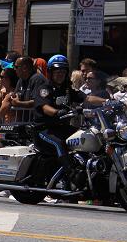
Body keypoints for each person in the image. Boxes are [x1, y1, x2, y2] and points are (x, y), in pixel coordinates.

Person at [32, 54, 105, 189]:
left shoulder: (66, 89)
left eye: (63, 71)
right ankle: (71, 173)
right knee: (59, 143)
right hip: (44, 129)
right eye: (57, 71)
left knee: (86, 137)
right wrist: (56, 112)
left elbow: (87, 98)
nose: (60, 74)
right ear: (50, 72)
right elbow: (44, 107)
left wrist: (108, 102)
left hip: (62, 128)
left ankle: (86, 171)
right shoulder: (44, 88)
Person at [11, 56, 48, 121]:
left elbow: (38, 102)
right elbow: (15, 96)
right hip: (24, 122)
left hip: (37, 123)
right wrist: (12, 97)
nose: (14, 69)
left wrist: (18, 103)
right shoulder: (21, 80)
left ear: (24, 68)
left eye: (16, 67)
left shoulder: (38, 79)